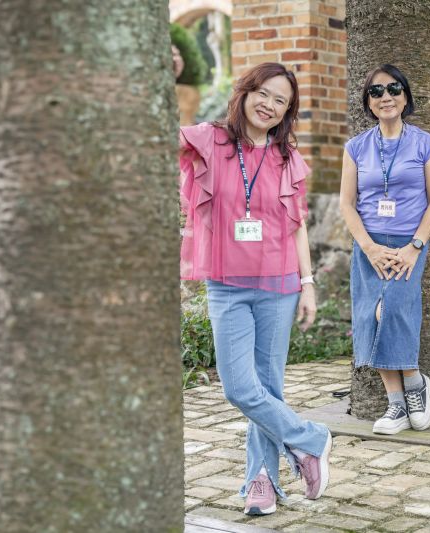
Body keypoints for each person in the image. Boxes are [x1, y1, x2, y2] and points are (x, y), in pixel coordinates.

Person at [179, 63, 332, 516]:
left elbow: (297, 226)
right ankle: (311, 439)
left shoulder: (286, 157)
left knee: (268, 387)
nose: (269, 104)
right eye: (263, 93)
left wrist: (308, 284)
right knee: (239, 388)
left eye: (280, 100)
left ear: (287, 111)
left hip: (279, 285)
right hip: (227, 285)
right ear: (245, 93)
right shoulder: (211, 139)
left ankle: (261, 481)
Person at [339, 64, 430, 435]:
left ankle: (414, 382)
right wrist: (368, 247)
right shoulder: (356, 148)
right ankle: (396, 404)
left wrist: (415, 247)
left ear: (405, 96)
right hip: (369, 245)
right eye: (376, 91)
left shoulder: (426, 144)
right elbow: (347, 203)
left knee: (394, 309)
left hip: (407, 244)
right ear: (368, 102)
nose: (385, 96)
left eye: (393, 88)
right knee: (371, 315)